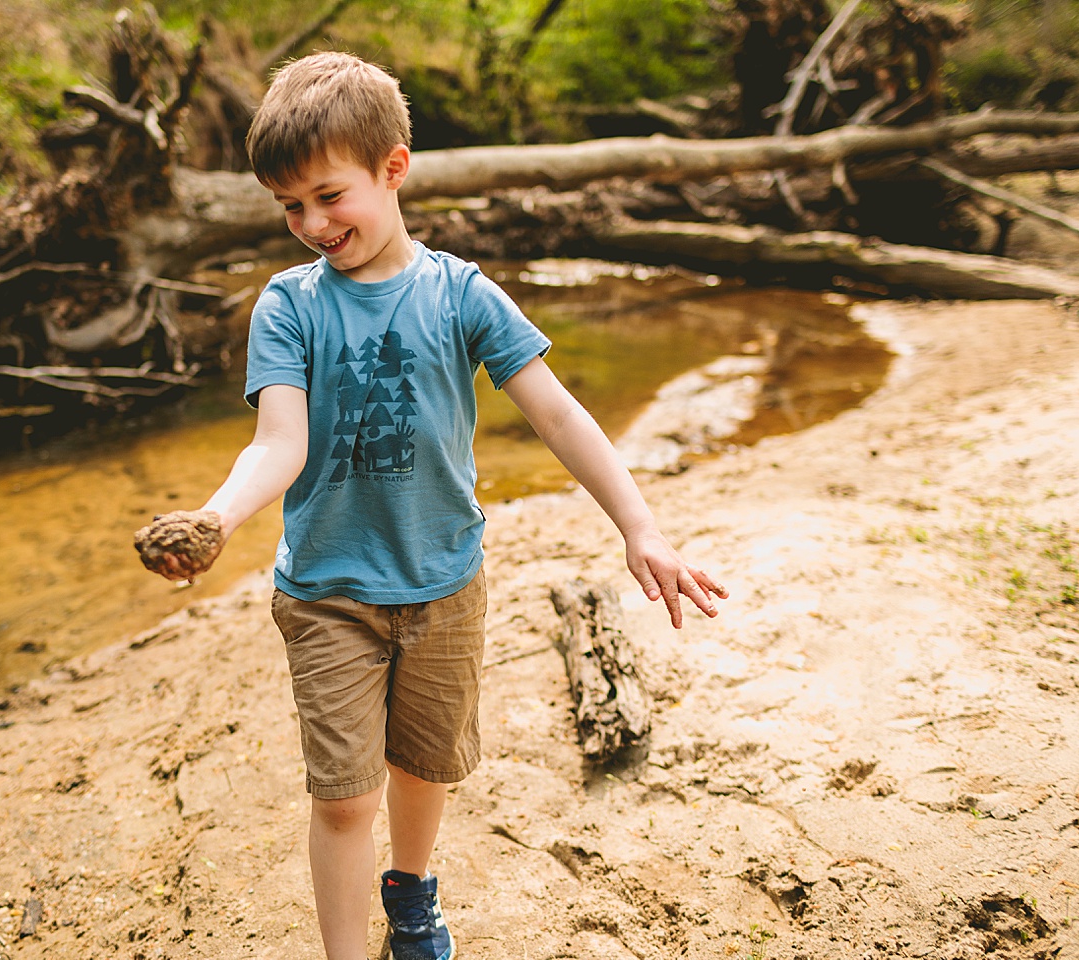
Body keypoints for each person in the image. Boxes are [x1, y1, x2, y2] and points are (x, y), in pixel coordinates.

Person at [147, 51, 727, 960]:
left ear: (393, 167)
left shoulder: (461, 295)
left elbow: (557, 413)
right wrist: (217, 519)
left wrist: (640, 525)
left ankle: (411, 895)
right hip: (328, 591)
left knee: (425, 764)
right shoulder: (287, 308)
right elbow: (279, 444)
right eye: (288, 206)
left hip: (444, 582)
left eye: (329, 196)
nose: (310, 223)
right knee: (343, 796)